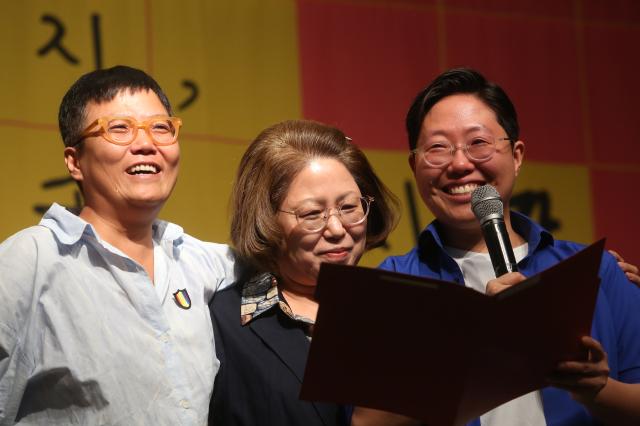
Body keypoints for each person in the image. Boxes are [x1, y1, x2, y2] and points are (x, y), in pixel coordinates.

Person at [379, 68, 640, 425]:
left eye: (478, 143)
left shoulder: (594, 270)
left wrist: (595, 389)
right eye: (438, 148)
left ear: (516, 156)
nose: (459, 163)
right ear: (414, 165)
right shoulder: (391, 288)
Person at [0, 65, 237, 425]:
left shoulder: (204, 262)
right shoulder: (31, 260)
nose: (146, 144)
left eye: (161, 128)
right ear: (74, 161)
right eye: (119, 129)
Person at [209, 119, 406, 425]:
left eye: (350, 207)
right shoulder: (221, 323)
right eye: (312, 214)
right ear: (267, 220)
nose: (338, 229)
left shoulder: (400, 311)